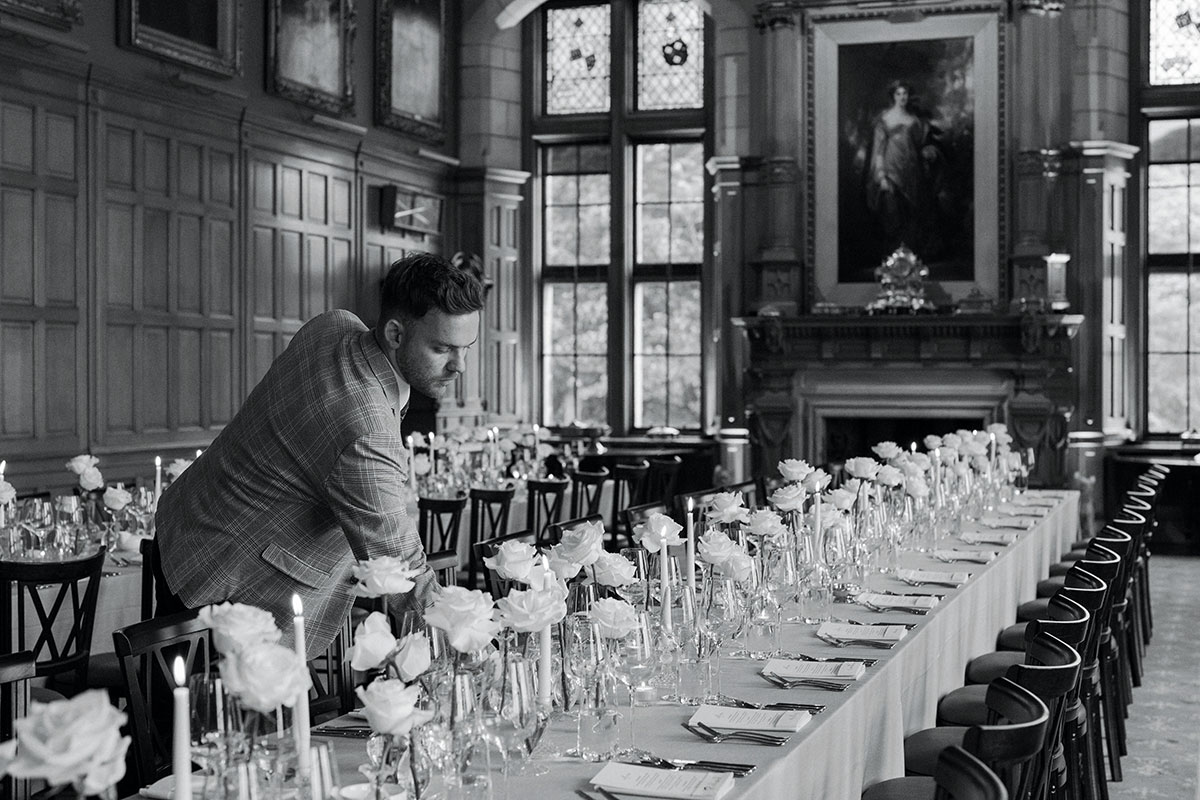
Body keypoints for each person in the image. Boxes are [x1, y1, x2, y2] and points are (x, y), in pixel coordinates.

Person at [153, 252, 484, 654]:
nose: (460, 366)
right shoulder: (365, 433)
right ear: (396, 334)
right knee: (207, 715)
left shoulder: (335, 324)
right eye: (443, 349)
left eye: (467, 347)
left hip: (186, 526)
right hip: (230, 587)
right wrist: (473, 649)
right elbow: (401, 568)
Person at [865, 80, 943, 255]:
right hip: (891, 173)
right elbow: (878, 151)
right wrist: (881, 176)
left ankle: (909, 259)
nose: (902, 97)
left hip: (912, 174)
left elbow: (920, 145)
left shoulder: (914, 121)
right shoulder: (884, 120)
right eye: (898, 94)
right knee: (892, 214)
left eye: (905, 94)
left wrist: (928, 151)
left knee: (912, 215)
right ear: (893, 96)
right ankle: (893, 260)